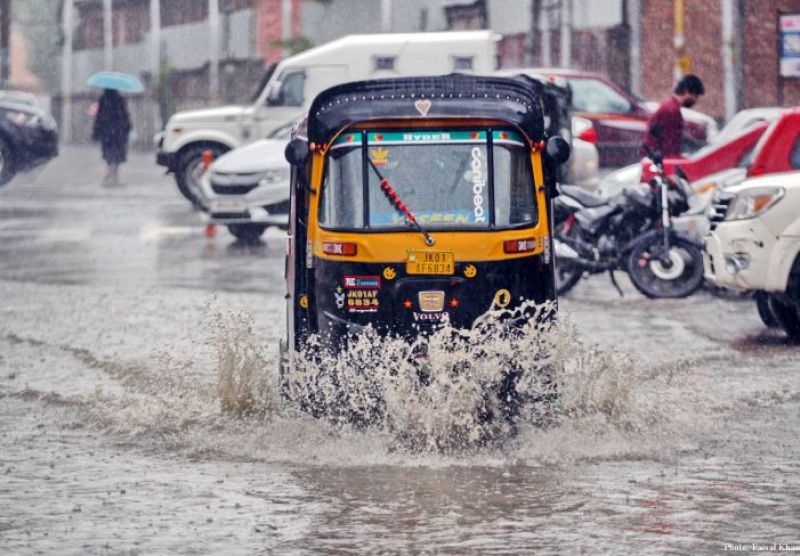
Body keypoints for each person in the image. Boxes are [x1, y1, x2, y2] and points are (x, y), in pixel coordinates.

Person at [641, 74, 705, 158]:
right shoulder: (672, 110)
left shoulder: (670, 105)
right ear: (687, 91)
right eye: (695, 96)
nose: (696, 101)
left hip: (654, 156)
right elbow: (670, 144)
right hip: (657, 159)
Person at [92, 88, 132, 185]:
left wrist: (96, 131)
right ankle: (115, 173)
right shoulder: (120, 99)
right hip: (119, 131)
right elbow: (125, 115)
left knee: (108, 151)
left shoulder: (103, 99)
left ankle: (110, 169)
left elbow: (99, 116)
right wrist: (127, 127)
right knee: (117, 151)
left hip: (107, 131)